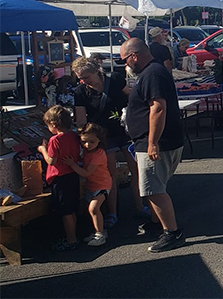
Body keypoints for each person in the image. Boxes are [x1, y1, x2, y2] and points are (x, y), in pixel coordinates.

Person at [120, 38, 186, 253]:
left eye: (125, 60)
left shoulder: (152, 73)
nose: (125, 64)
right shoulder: (153, 71)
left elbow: (158, 108)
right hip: (157, 140)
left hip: (158, 141)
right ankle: (158, 222)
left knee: (153, 189)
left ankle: (172, 232)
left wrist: (152, 142)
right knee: (152, 186)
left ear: (134, 56)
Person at [73, 56, 142, 229]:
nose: (84, 81)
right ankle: (113, 213)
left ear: (96, 71)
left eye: (86, 76)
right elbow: (81, 120)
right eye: (80, 78)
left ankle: (141, 206)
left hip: (125, 130)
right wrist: (84, 137)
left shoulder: (115, 79)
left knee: (136, 170)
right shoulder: (81, 92)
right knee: (110, 175)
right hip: (103, 136)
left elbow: (131, 96)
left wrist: (133, 116)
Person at [37, 106, 82, 251]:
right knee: (72, 208)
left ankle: (71, 239)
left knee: (65, 210)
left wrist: (43, 150)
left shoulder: (55, 140)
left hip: (60, 177)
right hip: (72, 174)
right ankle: (74, 235)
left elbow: (52, 161)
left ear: (53, 124)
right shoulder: (73, 135)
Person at [63, 123, 114, 246]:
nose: (87, 145)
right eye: (84, 142)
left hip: (102, 185)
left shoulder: (98, 154)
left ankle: (100, 235)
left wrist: (72, 164)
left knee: (93, 209)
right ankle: (100, 231)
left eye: (92, 142)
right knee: (92, 210)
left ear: (99, 140)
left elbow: (86, 172)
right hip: (92, 185)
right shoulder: (88, 152)